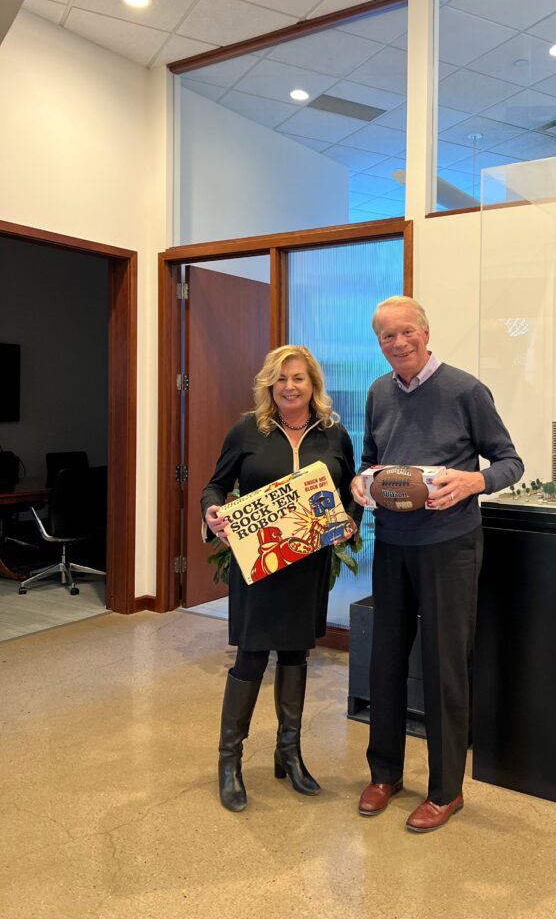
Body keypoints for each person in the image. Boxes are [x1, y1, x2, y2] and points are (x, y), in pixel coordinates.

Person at [351, 295, 524, 833]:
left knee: (445, 663)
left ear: (425, 332)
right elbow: (369, 459)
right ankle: (384, 773)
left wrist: (474, 481)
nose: (398, 343)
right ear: (378, 343)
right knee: (385, 660)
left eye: (406, 332)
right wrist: (362, 483)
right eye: (387, 337)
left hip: (451, 544)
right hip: (394, 543)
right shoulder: (378, 392)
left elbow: (510, 462)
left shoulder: (466, 390)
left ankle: (447, 789)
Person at [202, 345, 358, 813]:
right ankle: (229, 760)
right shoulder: (247, 430)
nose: (290, 387)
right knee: (250, 655)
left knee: (295, 653)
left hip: (307, 563)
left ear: (313, 384)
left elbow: (350, 490)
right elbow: (215, 484)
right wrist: (213, 515)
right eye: (281, 379)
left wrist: (349, 523)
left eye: (299, 378)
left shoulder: (334, 435)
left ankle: (288, 753)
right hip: (258, 562)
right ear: (269, 384)